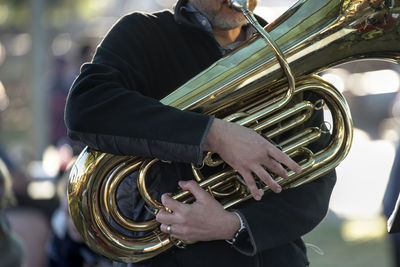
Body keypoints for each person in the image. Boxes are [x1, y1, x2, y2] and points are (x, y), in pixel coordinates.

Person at [64, 0, 337, 266]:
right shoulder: (142, 34)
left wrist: (233, 226)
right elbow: (86, 106)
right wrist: (214, 135)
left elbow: (316, 178)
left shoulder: (285, 44)